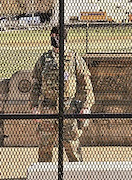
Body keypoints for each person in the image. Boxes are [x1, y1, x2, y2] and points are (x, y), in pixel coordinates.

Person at [29, 26, 94, 162]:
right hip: (48, 109)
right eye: (52, 36)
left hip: (68, 108)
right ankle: (44, 174)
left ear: (63, 38)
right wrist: (34, 106)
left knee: (71, 145)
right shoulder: (44, 59)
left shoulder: (74, 58)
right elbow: (35, 84)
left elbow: (86, 84)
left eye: (56, 36)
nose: (54, 39)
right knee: (45, 146)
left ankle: (77, 175)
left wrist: (86, 106)